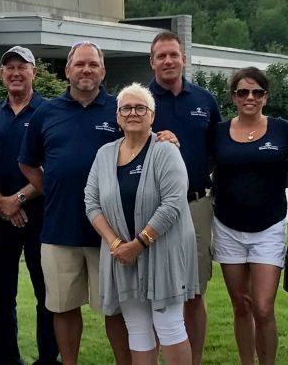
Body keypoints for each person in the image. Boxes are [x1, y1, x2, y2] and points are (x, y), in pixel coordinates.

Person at [19, 41, 130, 365]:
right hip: (59, 228)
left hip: (110, 233)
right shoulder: (47, 113)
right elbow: (26, 162)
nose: (86, 70)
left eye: (93, 64)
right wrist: (50, 187)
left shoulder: (120, 109)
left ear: (103, 71)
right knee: (63, 307)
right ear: (67, 70)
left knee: (116, 309)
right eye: (79, 64)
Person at [84, 83, 198, 365]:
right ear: (118, 115)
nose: (132, 113)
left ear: (152, 115)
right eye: (126, 108)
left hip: (162, 253)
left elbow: (173, 203)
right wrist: (116, 244)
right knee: (136, 328)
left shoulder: (165, 150)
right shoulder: (104, 154)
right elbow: (91, 203)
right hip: (122, 256)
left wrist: (139, 243)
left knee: (170, 326)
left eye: (140, 108)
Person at [210, 66, 288, 365]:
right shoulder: (218, 132)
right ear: (233, 96)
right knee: (240, 305)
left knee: (262, 307)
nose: (250, 97)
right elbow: (199, 165)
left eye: (257, 92)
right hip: (228, 226)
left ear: (265, 96)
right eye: (243, 92)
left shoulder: (284, 130)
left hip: (268, 227)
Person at [145, 31, 219, 365]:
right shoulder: (140, 100)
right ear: (152, 61)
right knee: (153, 289)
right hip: (152, 207)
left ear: (184, 59)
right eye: (161, 56)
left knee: (194, 290)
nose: (168, 61)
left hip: (196, 204)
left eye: (173, 54)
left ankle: (194, 360)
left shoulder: (204, 100)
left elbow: (216, 151)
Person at [0, 46, 59, 365]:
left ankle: (47, 359)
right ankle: (7, 360)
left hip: (42, 216)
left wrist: (19, 199)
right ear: (2, 74)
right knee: (0, 299)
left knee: (48, 295)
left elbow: (54, 166)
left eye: (22, 67)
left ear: (34, 72)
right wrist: (2, 204)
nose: (15, 72)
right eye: (9, 67)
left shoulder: (51, 111)